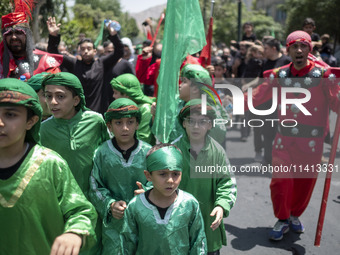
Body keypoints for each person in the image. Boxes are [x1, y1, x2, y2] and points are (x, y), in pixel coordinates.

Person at [245, 30, 340, 241]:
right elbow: (257, 96)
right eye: (294, 47)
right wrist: (227, 105)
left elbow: (335, 103)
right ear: (287, 50)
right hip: (284, 142)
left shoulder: (324, 76)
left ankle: (295, 215)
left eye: (303, 46)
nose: (299, 50)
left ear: (309, 49)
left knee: (304, 185)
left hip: (312, 144)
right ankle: (282, 218)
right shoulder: (280, 75)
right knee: (280, 181)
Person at [0, 78, 97, 254]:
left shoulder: (50, 164)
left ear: (31, 121)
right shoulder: (47, 131)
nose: (0, 123)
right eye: (48, 96)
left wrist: (74, 232)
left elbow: (80, 211)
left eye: (10, 115)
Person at [40, 72, 110, 254]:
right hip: (60, 205)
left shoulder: (95, 121)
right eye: (48, 96)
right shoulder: (42, 130)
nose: (53, 102)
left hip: (93, 201)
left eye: (60, 96)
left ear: (76, 100)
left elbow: (107, 156)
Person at [173, 99, 237, 254]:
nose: (196, 126)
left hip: (208, 221)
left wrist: (221, 205)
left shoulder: (218, 152)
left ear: (210, 125)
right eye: (191, 121)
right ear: (183, 123)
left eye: (202, 122)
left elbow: (227, 182)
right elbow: (159, 178)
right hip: (178, 220)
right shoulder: (173, 149)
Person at [88, 98, 152, 254]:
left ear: (137, 124)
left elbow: (158, 181)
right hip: (113, 226)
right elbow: (95, 186)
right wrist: (110, 205)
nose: (125, 128)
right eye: (118, 123)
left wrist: (148, 194)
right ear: (109, 126)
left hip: (144, 222)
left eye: (130, 122)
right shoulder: (101, 153)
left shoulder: (149, 152)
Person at [120, 143, 207, 254]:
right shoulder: (135, 205)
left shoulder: (189, 204)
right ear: (148, 176)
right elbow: (127, 245)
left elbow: (198, 243)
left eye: (175, 174)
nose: (170, 180)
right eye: (162, 174)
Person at [47, 17, 124, 114]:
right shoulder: (74, 64)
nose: (86, 51)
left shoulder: (101, 64)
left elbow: (119, 52)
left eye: (89, 48)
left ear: (95, 51)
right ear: (79, 51)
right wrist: (53, 36)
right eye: (83, 49)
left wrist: (114, 35)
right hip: (78, 114)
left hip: (98, 113)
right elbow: (54, 54)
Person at [0, 5, 62, 79]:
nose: (14, 37)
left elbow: (56, 87)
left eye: (19, 32)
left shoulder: (45, 61)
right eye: (9, 33)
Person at [111, 73, 156, 145]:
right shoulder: (122, 109)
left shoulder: (145, 109)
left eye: (115, 93)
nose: (113, 96)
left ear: (126, 94)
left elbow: (144, 139)